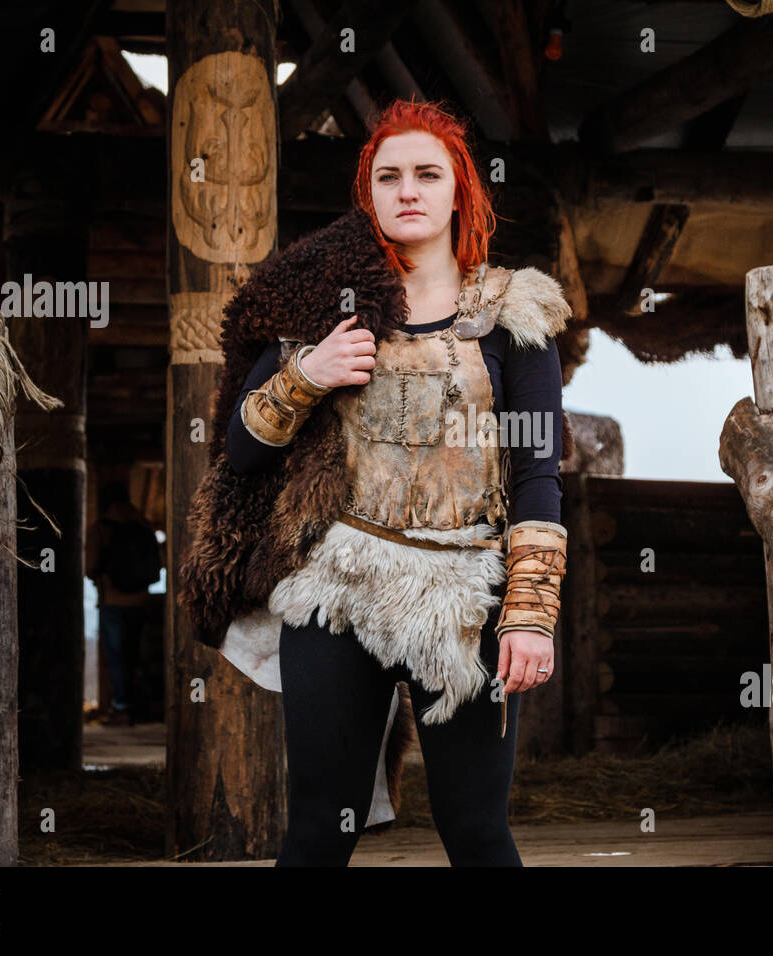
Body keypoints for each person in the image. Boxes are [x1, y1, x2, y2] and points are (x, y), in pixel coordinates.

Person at [177, 98, 571, 866]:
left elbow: (538, 474)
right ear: (369, 196)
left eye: (428, 173)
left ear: (462, 190)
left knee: (478, 830)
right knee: (321, 828)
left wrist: (530, 611)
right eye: (388, 177)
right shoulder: (319, 308)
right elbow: (241, 454)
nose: (408, 190)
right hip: (338, 587)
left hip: (466, 595)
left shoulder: (511, 315)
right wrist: (305, 375)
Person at [86, 481, 161, 726]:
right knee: (137, 655)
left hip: (113, 601)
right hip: (141, 601)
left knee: (116, 657)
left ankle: (121, 708)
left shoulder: (101, 528)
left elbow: (90, 567)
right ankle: (139, 707)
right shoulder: (144, 526)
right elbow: (156, 568)